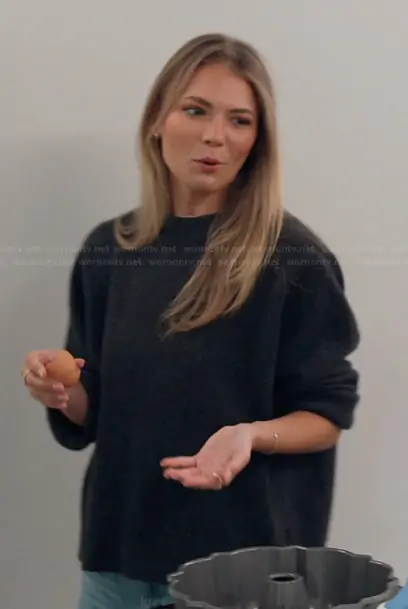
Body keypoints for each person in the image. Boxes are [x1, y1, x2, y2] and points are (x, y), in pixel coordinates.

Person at [21, 32, 360, 609]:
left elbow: (327, 414)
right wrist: (61, 389)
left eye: (239, 120)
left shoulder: (292, 259)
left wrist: (250, 435)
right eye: (196, 110)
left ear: (258, 140)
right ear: (158, 120)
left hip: (241, 573)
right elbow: (93, 406)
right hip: (117, 561)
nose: (214, 136)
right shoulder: (111, 250)